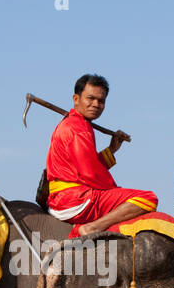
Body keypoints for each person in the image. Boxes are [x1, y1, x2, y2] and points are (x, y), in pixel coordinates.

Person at [45, 74, 157, 236]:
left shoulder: (79, 124)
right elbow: (90, 173)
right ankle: (92, 227)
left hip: (66, 197)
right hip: (74, 199)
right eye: (90, 98)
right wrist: (116, 193)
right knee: (147, 198)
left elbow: (86, 166)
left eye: (101, 101)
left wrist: (111, 150)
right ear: (76, 99)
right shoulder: (77, 128)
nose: (96, 104)